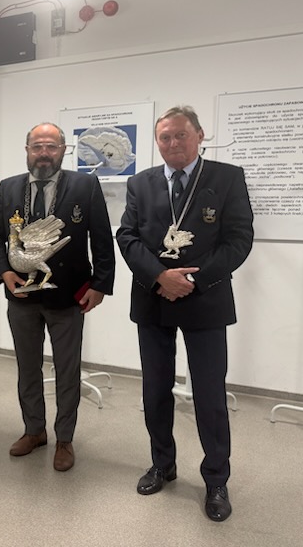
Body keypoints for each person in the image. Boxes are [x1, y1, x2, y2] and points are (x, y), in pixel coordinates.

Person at [116, 105, 254, 522]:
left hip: (205, 298)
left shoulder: (227, 178)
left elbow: (239, 239)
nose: (173, 143)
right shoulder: (140, 182)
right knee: (155, 389)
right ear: (156, 141)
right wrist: (160, 276)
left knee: (209, 395)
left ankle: (216, 479)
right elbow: (127, 235)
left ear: (199, 136)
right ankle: (162, 464)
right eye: (165, 137)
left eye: (181, 135)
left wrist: (192, 280)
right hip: (153, 297)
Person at [0, 122, 115, 471]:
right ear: (27, 150)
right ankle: (34, 431)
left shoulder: (84, 185)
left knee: (67, 371)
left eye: (51, 147)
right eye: (37, 147)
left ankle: (65, 439)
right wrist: (4, 271)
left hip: (69, 296)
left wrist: (100, 285)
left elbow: (102, 237)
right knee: (27, 367)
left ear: (63, 150)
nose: (44, 153)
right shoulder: (9, 188)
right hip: (22, 296)